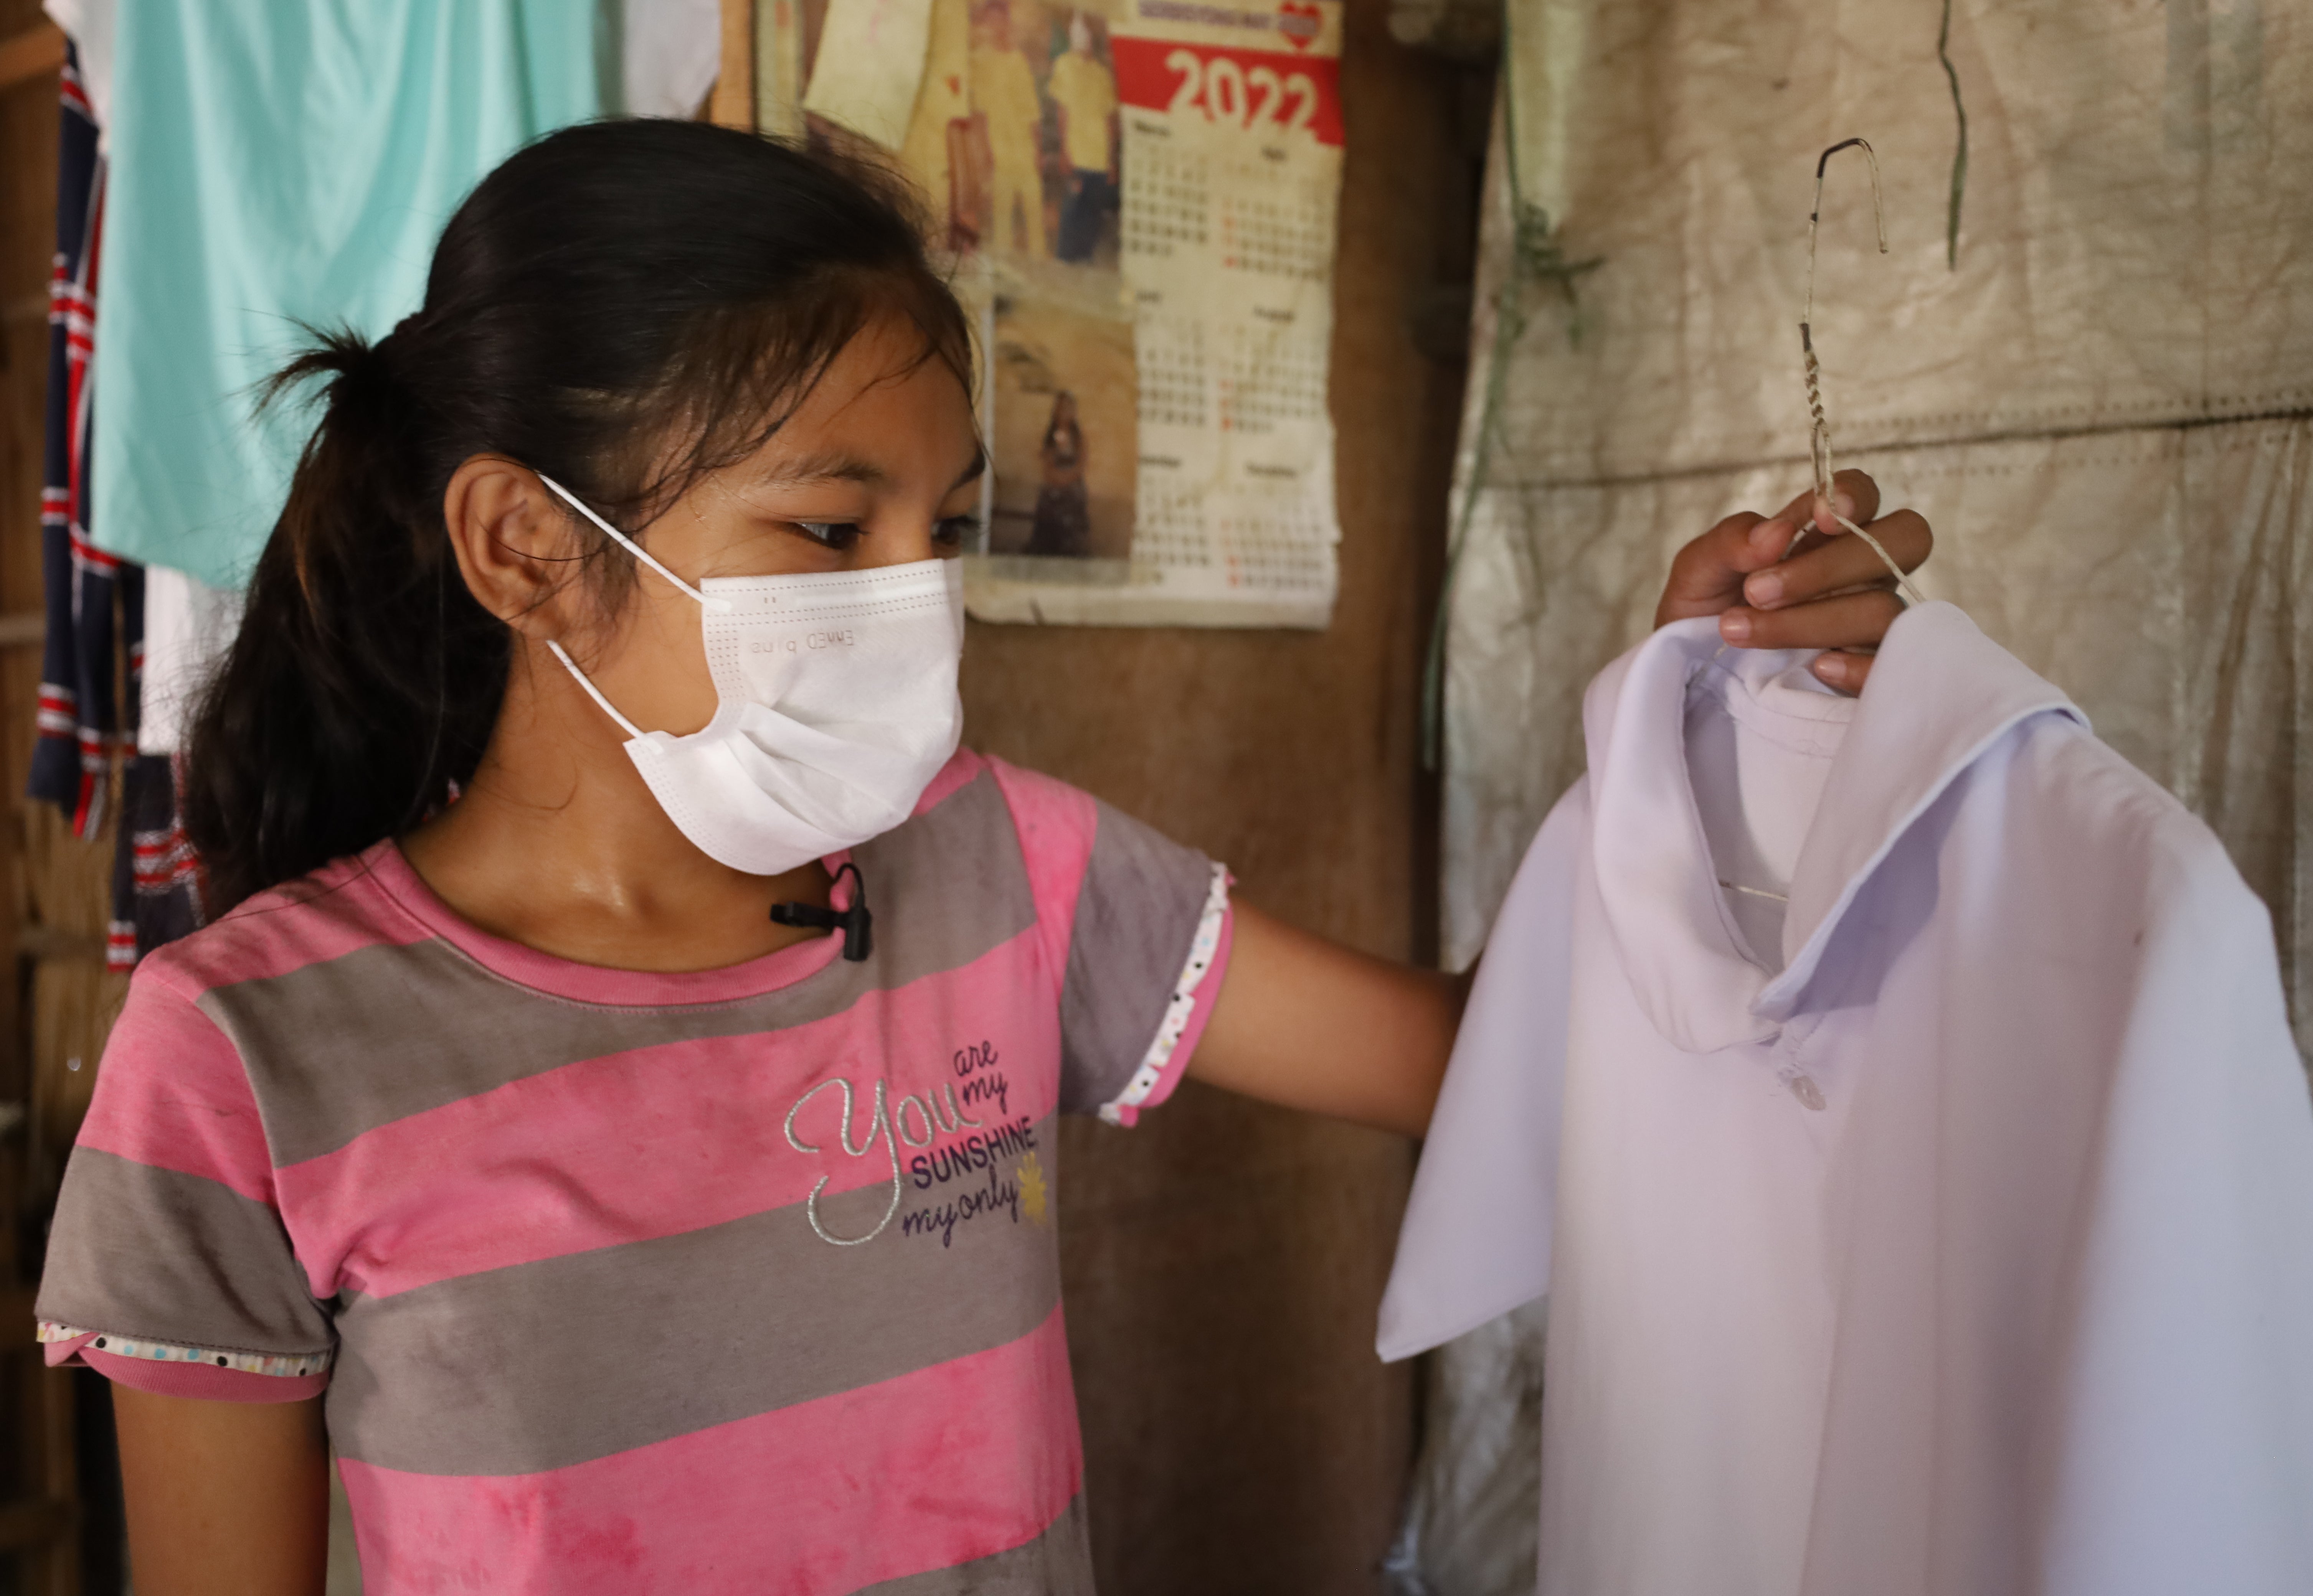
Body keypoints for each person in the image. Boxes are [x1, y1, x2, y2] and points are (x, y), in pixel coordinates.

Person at [31, 122, 1928, 1594]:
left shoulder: (994, 868)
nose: (913, 606)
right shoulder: (243, 1058)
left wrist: (1683, 718)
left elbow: (1483, 1062)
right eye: (828, 529)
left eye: (941, 530)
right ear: (528, 548)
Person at [970, 0, 1048, 256]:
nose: (997, 26)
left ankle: (1039, 263)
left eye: (1001, 20)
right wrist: (985, 151)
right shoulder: (980, 60)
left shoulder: (1018, 60)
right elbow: (979, 114)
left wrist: (1037, 149)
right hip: (997, 146)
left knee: (1034, 208)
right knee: (1002, 212)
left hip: (1023, 147)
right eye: (991, 21)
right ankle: (1003, 264)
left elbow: (1031, 110)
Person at [1046, 13, 1118, 264]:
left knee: (1093, 215)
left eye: (1087, 32)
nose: (1083, 37)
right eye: (1078, 31)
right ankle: (1065, 260)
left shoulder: (1102, 74)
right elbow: (1062, 112)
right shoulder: (1064, 65)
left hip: (1099, 157)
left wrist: (1111, 161)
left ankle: (1084, 260)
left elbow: (1109, 120)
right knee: (1072, 212)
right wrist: (1065, 150)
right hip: (1077, 154)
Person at [1028, 389, 1092, 556]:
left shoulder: (1078, 438)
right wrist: (1057, 479)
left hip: (1072, 493)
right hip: (1053, 493)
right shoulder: (1050, 438)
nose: (1064, 412)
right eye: (1061, 408)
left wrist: (1066, 480)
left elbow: (1081, 466)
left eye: (1068, 408)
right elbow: (1047, 468)